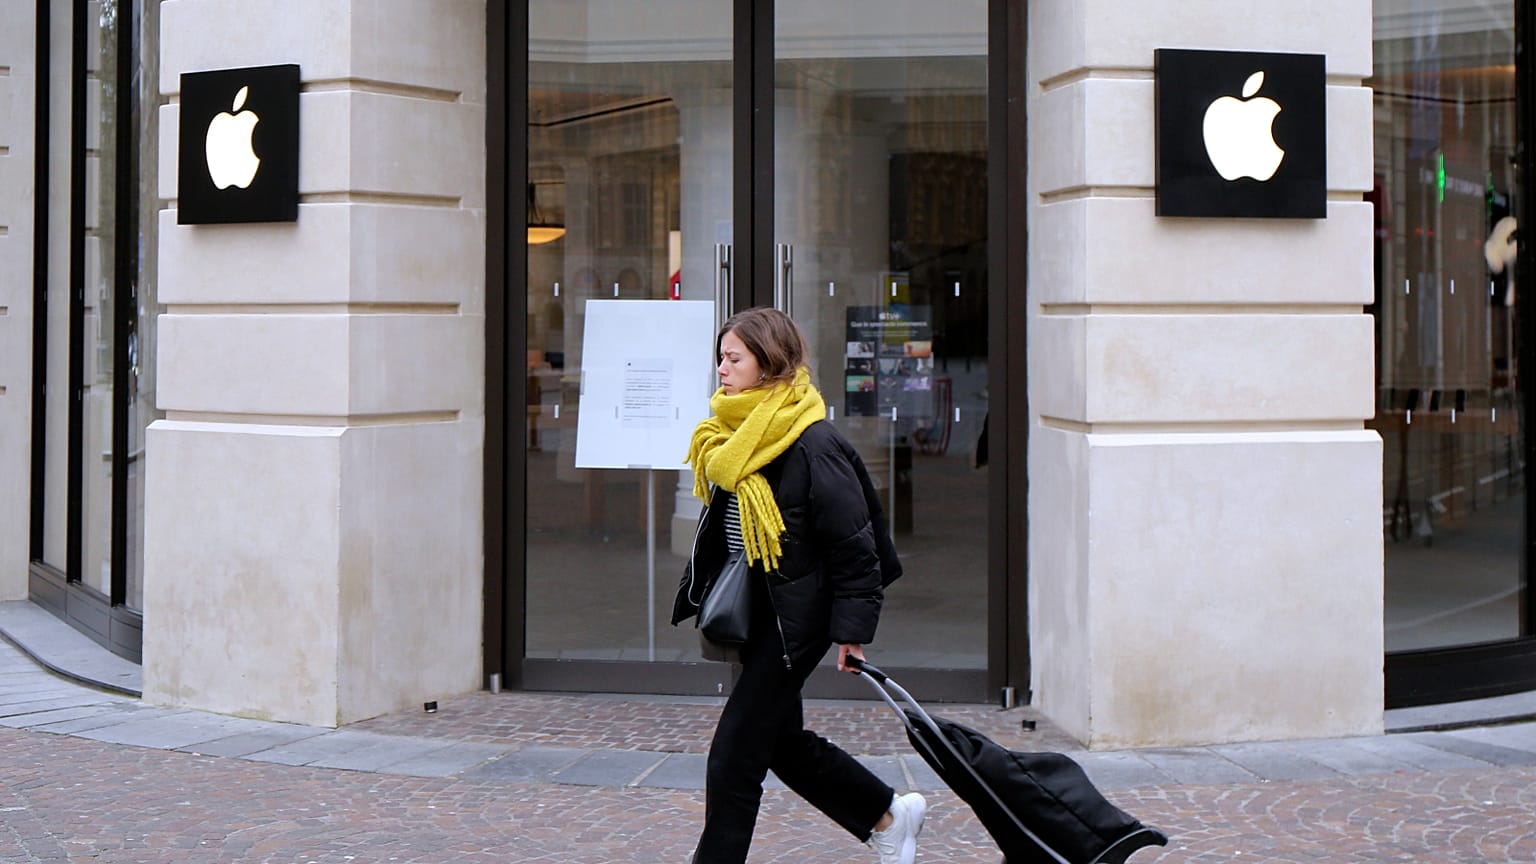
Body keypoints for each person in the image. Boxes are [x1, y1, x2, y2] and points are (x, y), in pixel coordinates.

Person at [671, 307, 925, 864]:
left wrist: (852, 631)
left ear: (769, 363)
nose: (721, 368)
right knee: (782, 743)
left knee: (734, 756)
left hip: (796, 619)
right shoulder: (730, 433)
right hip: (758, 613)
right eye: (720, 357)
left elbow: (855, 544)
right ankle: (888, 815)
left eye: (733, 358)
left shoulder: (812, 441)